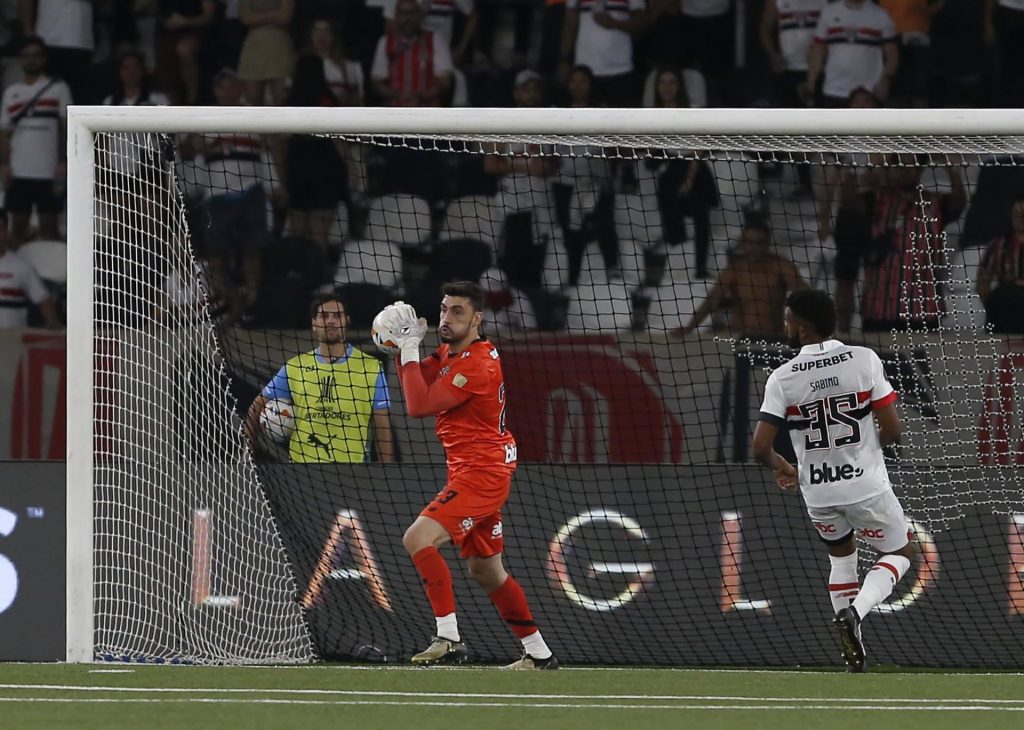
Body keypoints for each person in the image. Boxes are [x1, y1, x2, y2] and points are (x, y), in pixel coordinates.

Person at [378, 282, 557, 669]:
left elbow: (418, 404)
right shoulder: (451, 351)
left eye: (457, 311)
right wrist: (396, 345)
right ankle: (539, 655)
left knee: (418, 538)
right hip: (473, 469)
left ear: (477, 319)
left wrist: (408, 350)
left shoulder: (478, 364)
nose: (446, 318)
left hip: (482, 473)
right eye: (443, 309)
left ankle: (448, 638)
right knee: (487, 571)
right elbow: (419, 376)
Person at [751, 288, 913, 673]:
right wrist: (865, 446)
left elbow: (760, 447)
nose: (784, 324)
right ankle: (854, 615)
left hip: (818, 492)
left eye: (788, 318)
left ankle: (851, 653)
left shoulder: (782, 378)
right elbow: (893, 430)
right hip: (865, 484)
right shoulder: (863, 359)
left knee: (841, 557)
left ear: (803, 327)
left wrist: (785, 467)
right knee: (902, 554)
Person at [245, 293, 394, 463]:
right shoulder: (295, 367)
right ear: (314, 323)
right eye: (324, 316)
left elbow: (381, 423)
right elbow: (256, 408)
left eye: (337, 316)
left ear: (347, 321)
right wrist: (248, 450)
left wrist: (385, 470)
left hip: (354, 471)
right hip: (302, 472)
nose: (331, 321)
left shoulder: (370, 367)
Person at [675, 219, 806, 338]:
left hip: (773, 337)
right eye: (749, 242)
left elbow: (806, 295)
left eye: (759, 242)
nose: (753, 247)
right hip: (740, 338)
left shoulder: (780, 266)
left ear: (767, 243)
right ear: (742, 242)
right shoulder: (735, 269)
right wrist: (689, 328)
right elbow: (712, 300)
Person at [0, 36, 72, 248]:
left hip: (48, 170)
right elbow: (4, 133)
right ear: (21, 60)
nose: (31, 60)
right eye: (26, 56)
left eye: (36, 56)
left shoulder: (58, 88)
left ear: (43, 59)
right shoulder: (11, 92)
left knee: (49, 230)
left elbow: (66, 126)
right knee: (16, 231)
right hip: (19, 170)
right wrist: (4, 164)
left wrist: (63, 160)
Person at [805, 0, 898, 107]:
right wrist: (811, 82)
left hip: (868, 92)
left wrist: (886, 79)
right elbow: (818, 51)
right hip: (834, 89)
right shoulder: (828, 12)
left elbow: (892, 54)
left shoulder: (881, 15)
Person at [0, 208, 59, 329]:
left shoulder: (21, 265)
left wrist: (51, 323)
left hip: (13, 340)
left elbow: (44, 299)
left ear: (6, 232)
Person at [976, 199, 1024, 333]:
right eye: (1017, 215)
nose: (1021, 219)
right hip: (1007, 303)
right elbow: (983, 279)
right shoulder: (998, 245)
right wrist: (989, 302)